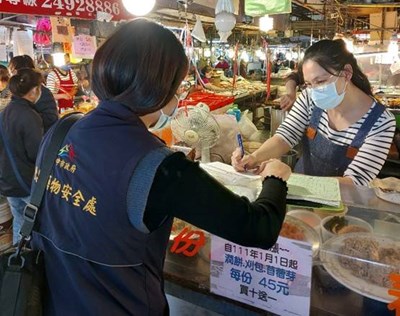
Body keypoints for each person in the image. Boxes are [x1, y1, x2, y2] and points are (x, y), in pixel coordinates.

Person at [31, 19, 291, 316]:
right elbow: (256, 228)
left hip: (52, 302)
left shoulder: (62, 130)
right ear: (162, 88)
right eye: (178, 85)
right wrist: (275, 179)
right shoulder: (159, 166)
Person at [232, 39, 396, 187]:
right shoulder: (310, 97)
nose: (315, 90)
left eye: (321, 81)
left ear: (346, 73)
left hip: (342, 207)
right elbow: (286, 135)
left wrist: (288, 177)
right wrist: (253, 158)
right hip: (298, 192)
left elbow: (355, 183)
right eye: (309, 83)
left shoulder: (381, 122)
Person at [0, 68, 44, 244]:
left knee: (20, 222)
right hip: (27, 183)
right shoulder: (29, 116)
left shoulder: (5, 112)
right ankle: (35, 263)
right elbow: (37, 154)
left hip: (8, 182)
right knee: (37, 224)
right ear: (34, 90)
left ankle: (19, 261)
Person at [8, 55, 59, 132]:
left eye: (13, 71)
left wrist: (29, 117)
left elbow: (52, 118)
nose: (12, 75)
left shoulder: (42, 91)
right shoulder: (16, 91)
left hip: (41, 136)